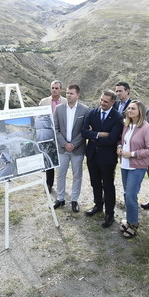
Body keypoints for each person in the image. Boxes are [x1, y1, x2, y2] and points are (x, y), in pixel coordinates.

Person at [82, 89, 124, 228]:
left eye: (106, 101)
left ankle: (109, 213)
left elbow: (112, 139)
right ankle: (98, 205)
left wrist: (93, 137)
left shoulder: (117, 117)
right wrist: (100, 134)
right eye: (101, 100)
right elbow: (83, 132)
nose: (102, 103)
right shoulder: (92, 112)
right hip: (92, 154)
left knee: (108, 185)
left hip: (107, 157)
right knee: (95, 182)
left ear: (113, 102)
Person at [116, 100, 149, 238]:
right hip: (125, 165)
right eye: (128, 108)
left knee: (131, 196)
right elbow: (122, 141)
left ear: (140, 111)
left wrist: (132, 154)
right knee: (127, 194)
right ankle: (128, 220)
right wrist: (119, 147)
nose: (129, 110)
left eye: (133, 108)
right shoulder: (127, 125)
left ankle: (134, 224)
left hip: (137, 166)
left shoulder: (147, 128)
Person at [52, 84, 89, 212]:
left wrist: (73, 144)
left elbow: (85, 130)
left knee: (77, 175)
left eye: (71, 93)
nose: (68, 95)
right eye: (67, 93)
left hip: (77, 149)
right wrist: (65, 144)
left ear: (78, 95)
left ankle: (74, 200)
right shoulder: (58, 108)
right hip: (62, 149)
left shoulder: (85, 110)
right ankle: (60, 198)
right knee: (60, 174)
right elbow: (55, 129)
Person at [39, 80, 67, 193]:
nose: (54, 90)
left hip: (61, 135)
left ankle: (61, 185)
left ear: (61, 89)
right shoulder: (43, 102)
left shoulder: (66, 101)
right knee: (48, 159)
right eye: (52, 88)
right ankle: (49, 184)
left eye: (56, 88)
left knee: (61, 160)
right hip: (47, 134)